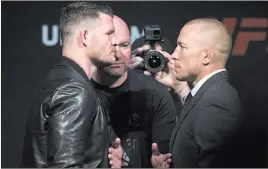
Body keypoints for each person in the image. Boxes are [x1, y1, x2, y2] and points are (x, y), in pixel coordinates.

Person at [20, 2, 123, 168]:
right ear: (84, 37)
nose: (115, 41)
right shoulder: (74, 90)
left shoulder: (59, 78)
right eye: (109, 33)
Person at [152, 18, 246, 167]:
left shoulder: (218, 103)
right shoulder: (210, 93)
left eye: (182, 47)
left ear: (207, 56)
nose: (174, 55)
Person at [91, 15, 175, 168]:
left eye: (124, 45)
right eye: (110, 46)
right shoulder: (77, 94)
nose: (117, 53)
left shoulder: (157, 94)